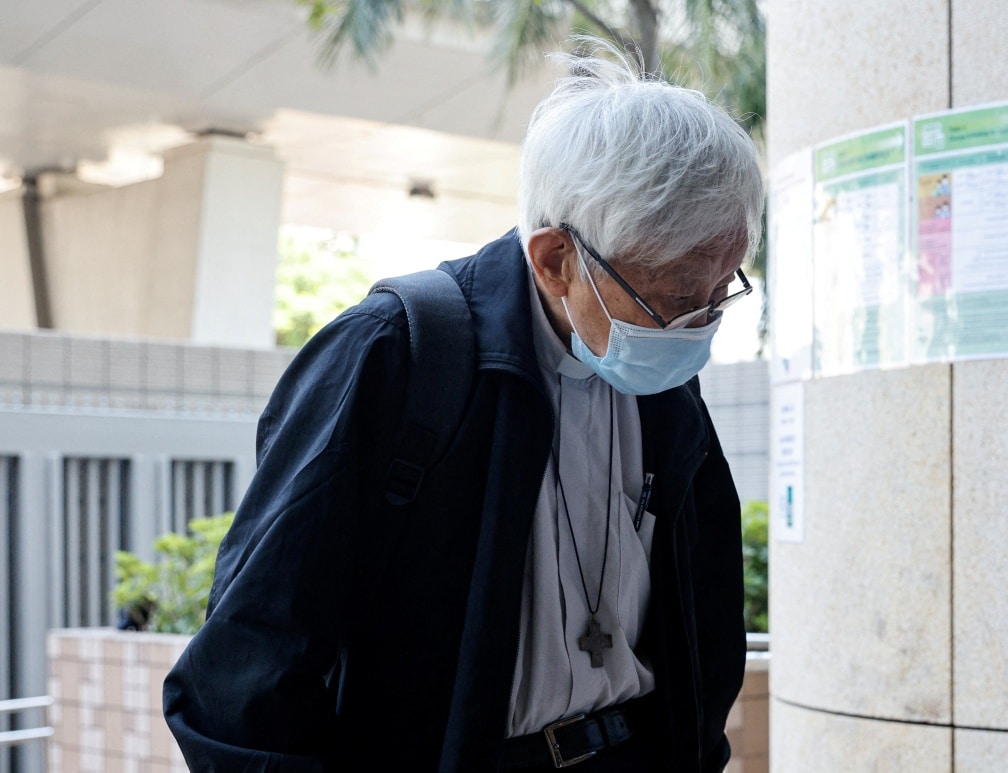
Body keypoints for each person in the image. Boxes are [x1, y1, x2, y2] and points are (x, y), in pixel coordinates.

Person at [164, 41, 763, 772]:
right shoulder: (398, 353)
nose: (696, 329)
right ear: (553, 258)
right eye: (672, 300)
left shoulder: (659, 377)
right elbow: (244, 671)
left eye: (719, 294)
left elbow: (698, 615)